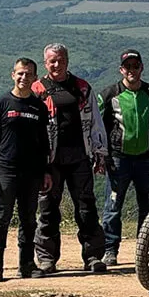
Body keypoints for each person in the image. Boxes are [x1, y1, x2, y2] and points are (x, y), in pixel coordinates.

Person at [32, 43, 109, 274]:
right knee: (47, 210)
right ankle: (47, 258)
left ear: (67, 61)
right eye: (52, 61)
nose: (57, 65)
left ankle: (93, 256)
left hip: (80, 157)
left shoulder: (82, 87)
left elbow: (95, 121)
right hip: (50, 161)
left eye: (61, 60)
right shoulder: (37, 89)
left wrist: (100, 152)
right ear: (45, 63)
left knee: (86, 209)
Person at [0, 58, 52, 282]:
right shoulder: (1, 104)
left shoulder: (39, 107)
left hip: (32, 173)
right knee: (1, 219)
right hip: (6, 171)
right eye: (20, 73)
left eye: (28, 74)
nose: (24, 77)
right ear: (13, 75)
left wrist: (46, 171)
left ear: (35, 78)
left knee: (29, 220)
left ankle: (27, 265)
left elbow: (44, 142)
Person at [98, 49, 149, 267]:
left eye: (135, 66)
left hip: (146, 159)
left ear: (142, 67)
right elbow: (98, 126)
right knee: (113, 206)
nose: (132, 70)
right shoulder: (110, 94)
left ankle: (146, 250)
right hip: (118, 159)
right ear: (121, 69)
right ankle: (110, 250)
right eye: (127, 66)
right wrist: (101, 154)